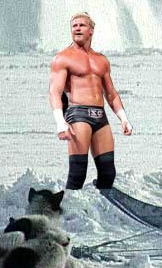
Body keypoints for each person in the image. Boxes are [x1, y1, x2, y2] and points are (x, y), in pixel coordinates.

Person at [48, 12, 133, 190]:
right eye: (74, 26)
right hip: (78, 114)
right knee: (78, 172)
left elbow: (111, 94)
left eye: (81, 25)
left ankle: (102, 208)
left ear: (91, 30)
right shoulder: (63, 58)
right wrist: (60, 123)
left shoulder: (101, 61)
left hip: (100, 116)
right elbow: (54, 92)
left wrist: (123, 119)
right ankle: (67, 208)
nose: (77, 28)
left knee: (108, 172)